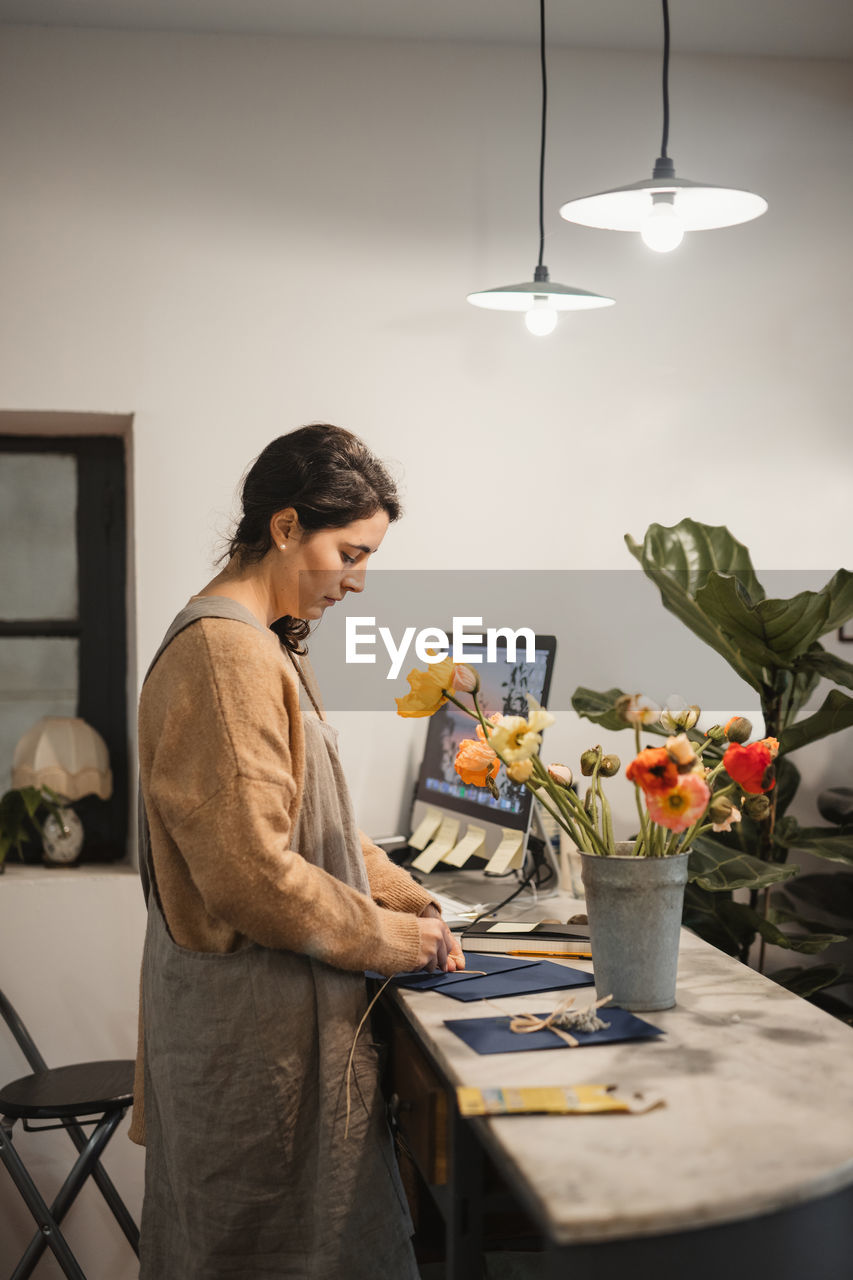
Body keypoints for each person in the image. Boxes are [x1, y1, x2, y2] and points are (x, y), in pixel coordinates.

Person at [129, 423, 462, 1279]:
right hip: (252, 1041)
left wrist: (409, 901)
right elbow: (254, 876)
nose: (356, 582)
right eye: (348, 553)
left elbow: (321, 822)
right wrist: (393, 942)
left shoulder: (255, 642)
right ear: (285, 528)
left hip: (268, 1022)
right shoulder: (222, 655)